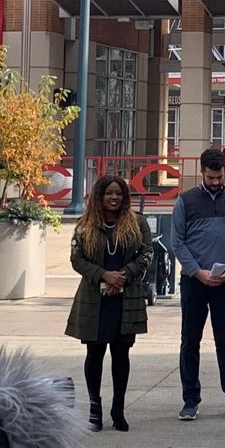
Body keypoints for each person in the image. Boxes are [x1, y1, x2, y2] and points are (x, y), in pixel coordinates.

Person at [172, 147, 225, 422]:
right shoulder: (185, 201)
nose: (217, 182)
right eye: (211, 177)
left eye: (220, 177)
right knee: (190, 341)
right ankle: (190, 399)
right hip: (194, 282)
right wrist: (197, 272)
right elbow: (177, 242)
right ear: (202, 173)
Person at [65, 175, 153, 432]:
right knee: (94, 354)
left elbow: (147, 253)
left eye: (118, 194)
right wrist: (104, 275)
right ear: (99, 196)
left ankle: (118, 408)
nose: (113, 198)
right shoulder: (85, 225)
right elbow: (77, 259)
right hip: (95, 297)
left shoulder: (138, 222)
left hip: (126, 297)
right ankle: (95, 408)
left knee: (121, 353)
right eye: (108, 193)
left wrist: (123, 276)